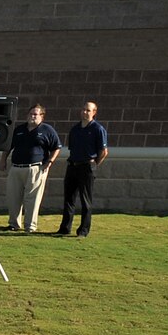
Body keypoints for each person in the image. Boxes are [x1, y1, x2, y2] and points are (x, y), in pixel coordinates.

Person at [54, 100, 108, 237]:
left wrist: (94, 164)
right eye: (83, 109)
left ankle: (83, 230)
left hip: (87, 167)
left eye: (88, 110)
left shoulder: (98, 129)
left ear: (94, 113)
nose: (85, 112)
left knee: (86, 201)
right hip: (72, 166)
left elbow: (104, 151)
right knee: (69, 199)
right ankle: (65, 228)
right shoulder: (75, 129)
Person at [4, 103, 59, 232]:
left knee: (32, 200)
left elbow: (56, 147)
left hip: (35, 168)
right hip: (16, 168)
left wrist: (49, 162)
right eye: (30, 114)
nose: (32, 116)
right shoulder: (19, 130)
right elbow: (8, 147)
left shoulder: (47, 130)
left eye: (35, 114)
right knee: (13, 197)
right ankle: (14, 224)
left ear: (42, 116)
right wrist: (3, 161)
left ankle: (30, 226)